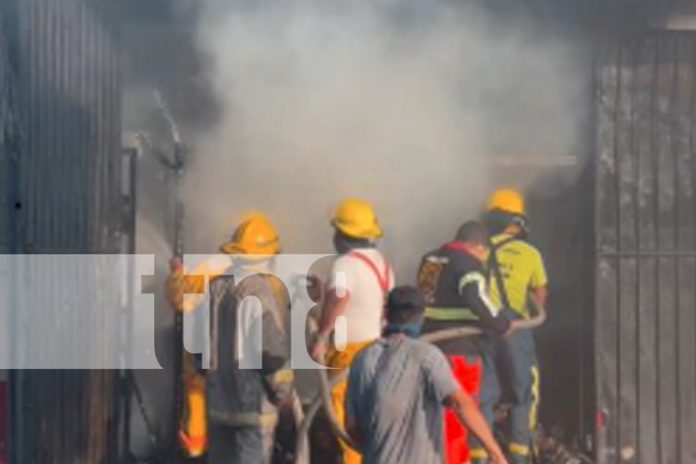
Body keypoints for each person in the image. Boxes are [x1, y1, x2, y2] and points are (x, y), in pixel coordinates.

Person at [168, 212, 293, 463]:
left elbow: (199, 346)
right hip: (252, 410)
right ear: (268, 256)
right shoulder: (262, 290)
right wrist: (283, 392)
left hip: (219, 408)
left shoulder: (216, 287)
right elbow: (271, 351)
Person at [345, 286, 509, 464]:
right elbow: (461, 404)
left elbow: (352, 425)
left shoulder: (362, 359)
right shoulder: (427, 356)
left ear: (385, 314)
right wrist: (496, 454)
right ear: (421, 316)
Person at [418, 220, 513, 464]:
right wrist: (501, 323)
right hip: (460, 351)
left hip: (428, 350)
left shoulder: (431, 260)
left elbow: (425, 302)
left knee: (431, 415)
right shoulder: (469, 264)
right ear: (477, 246)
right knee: (459, 415)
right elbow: (477, 298)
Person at [310, 198, 394, 464]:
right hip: (378, 349)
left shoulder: (345, 264)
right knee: (370, 420)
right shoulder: (382, 263)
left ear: (343, 235)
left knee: (344, 422)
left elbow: (341, 298)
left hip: (349, 352)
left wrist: (321, 337)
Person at [476, 188, 549, 464]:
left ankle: (479, 455)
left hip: (481, 330)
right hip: (517, 327)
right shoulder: (530, 253)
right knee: (523, 393)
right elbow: (540, 296)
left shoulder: (478, 250)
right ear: (517, 220)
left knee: (483, 395)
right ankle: (519, 454)